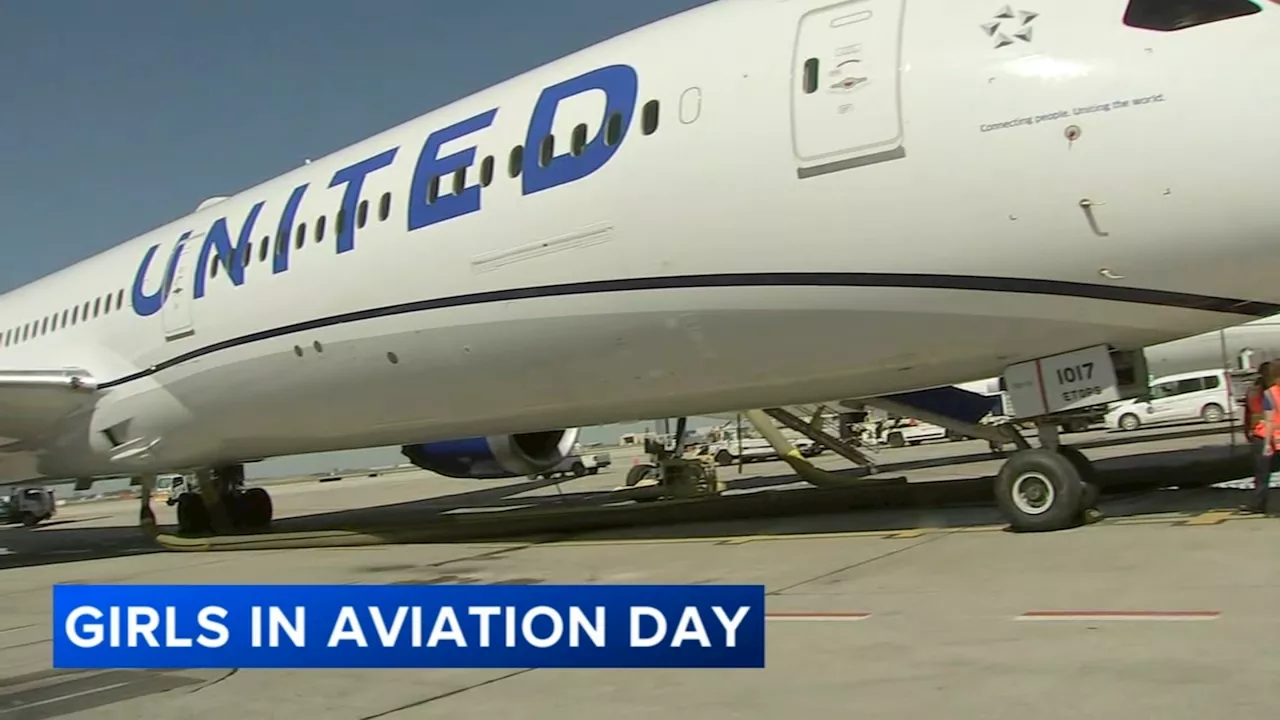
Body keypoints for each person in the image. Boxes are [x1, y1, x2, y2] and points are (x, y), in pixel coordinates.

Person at [1244, 362, 1278, 514]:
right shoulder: (1269, 392)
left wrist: (1248, 431)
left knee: (1262, 473)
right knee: (1262, 472)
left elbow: (1250, 414)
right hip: (1268, 435)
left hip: (1262, 434)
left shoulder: (1255, 391)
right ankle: (1259, 503)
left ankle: (1258, 503)